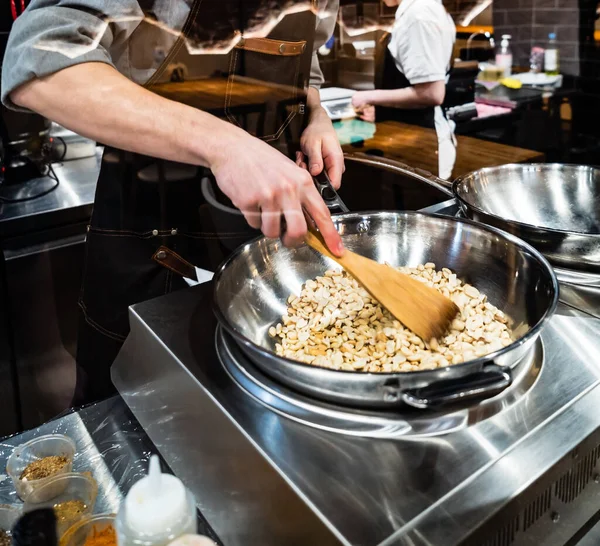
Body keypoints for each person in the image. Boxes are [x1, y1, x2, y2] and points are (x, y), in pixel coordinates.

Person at [1, 0, 344, 404]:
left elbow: (308, 66)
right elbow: (38, 63)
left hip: (267, 257)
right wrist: (225, 146)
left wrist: (316, 116)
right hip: (152, 242)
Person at [351, 0, 457, 179]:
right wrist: (384, 110)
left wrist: (369, 96)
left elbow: (432, 93)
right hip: (413, 140)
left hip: (422, 146)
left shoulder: (418, 15)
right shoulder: (422, 9)